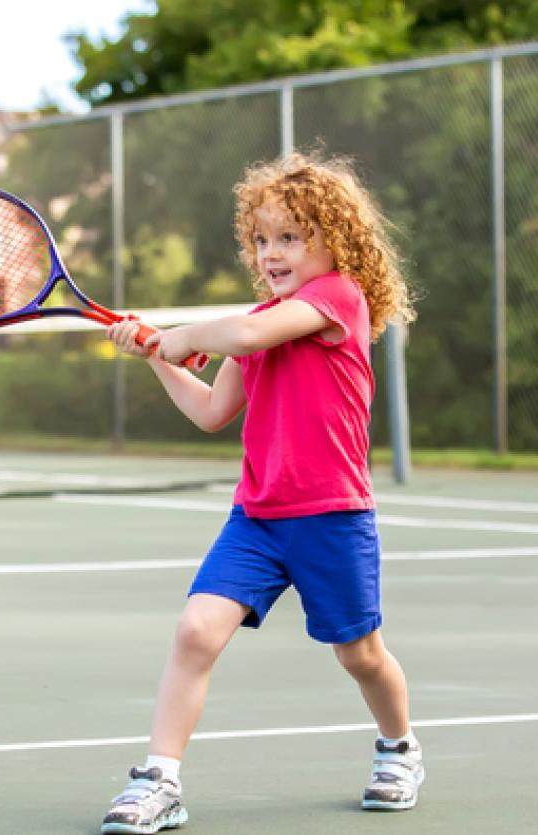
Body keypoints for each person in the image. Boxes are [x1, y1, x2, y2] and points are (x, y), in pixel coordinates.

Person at [99, 151, 420, 834]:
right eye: (262, 239)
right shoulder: (262, 320)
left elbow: (242, 332)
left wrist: (179, 334)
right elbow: (213, 410)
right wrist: (159, 355)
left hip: (332, 517)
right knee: (195, 631)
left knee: (360, 653)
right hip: (258, 518)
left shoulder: (337, 298)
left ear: (336, 242)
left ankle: (399, 748)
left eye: (290, 237)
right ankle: (159, 778)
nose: (271, 253)